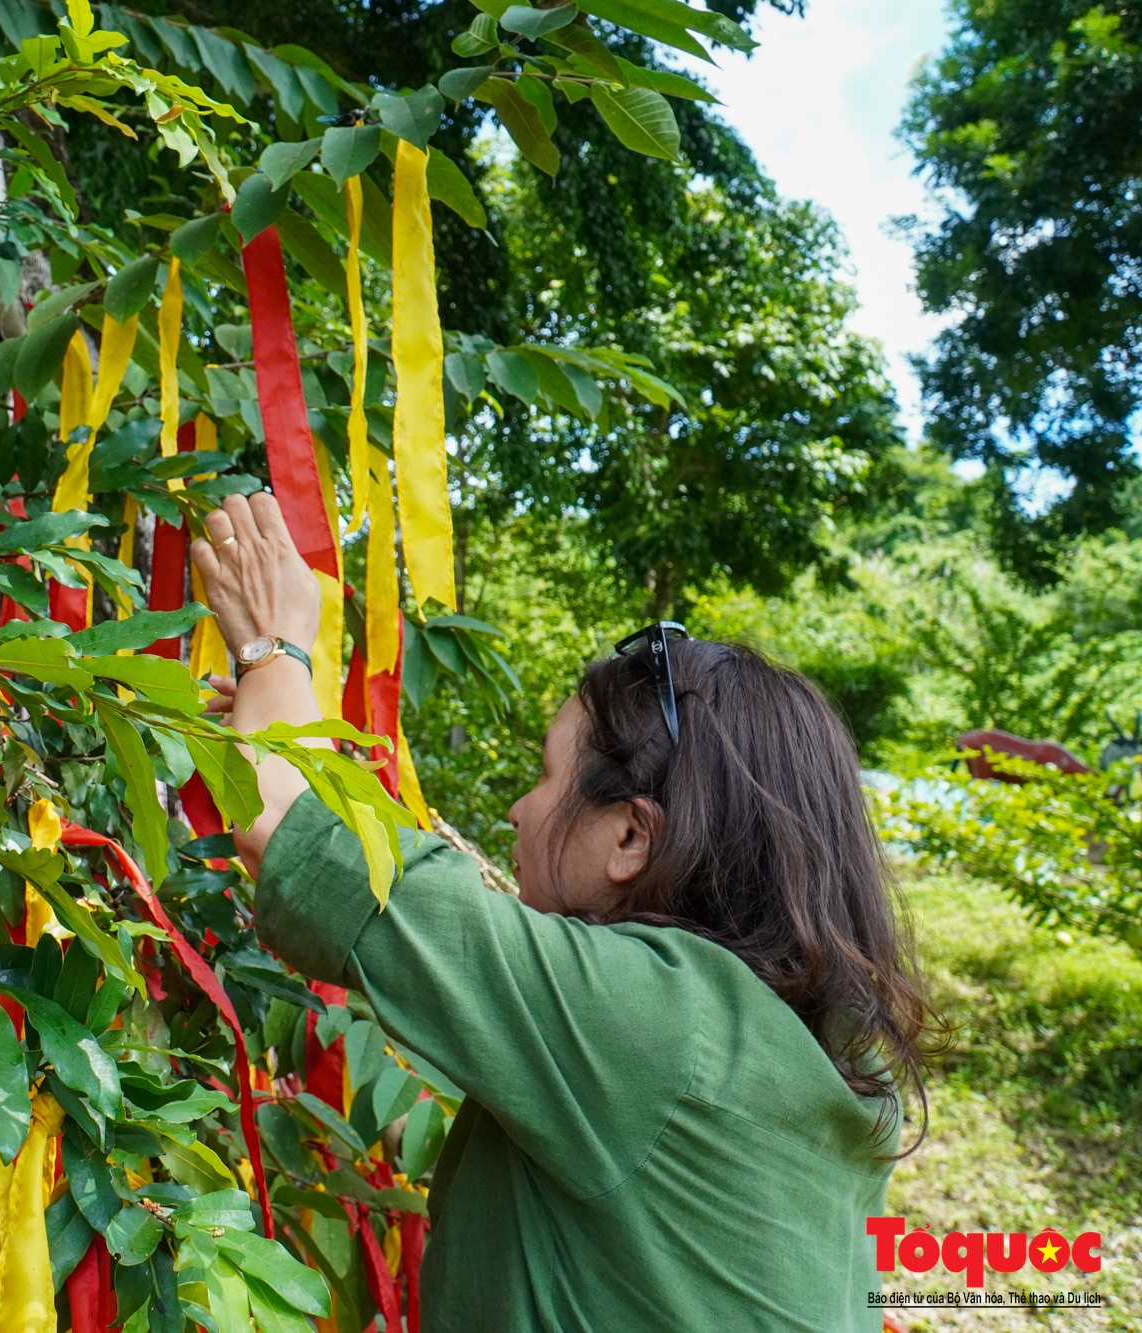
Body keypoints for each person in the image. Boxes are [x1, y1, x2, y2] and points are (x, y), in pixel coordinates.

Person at [191, 492, 936, 1333]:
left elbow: (286, 822)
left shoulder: (658, 1027)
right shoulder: (818, 1043)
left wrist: (274, 645)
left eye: (544, 776)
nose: (518, 808)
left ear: (629, 834)